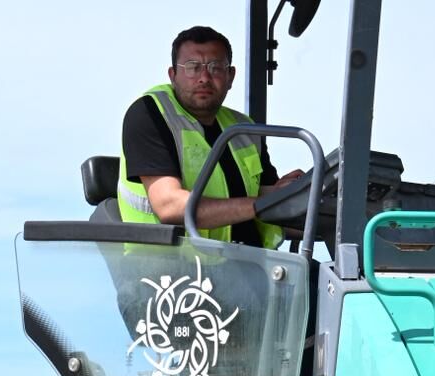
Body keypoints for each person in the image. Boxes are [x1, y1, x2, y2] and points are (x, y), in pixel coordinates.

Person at [118, 26, 303, 245]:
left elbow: (263, 197)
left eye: (215, 68)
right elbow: (168, 205)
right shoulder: (151, 114)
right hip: (170, 263)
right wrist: (263, 203)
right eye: (192, 67)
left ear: (230, 76)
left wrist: (295, 193)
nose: (204, 78)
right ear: (173, 75)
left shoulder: (243, 128)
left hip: (248, 260)